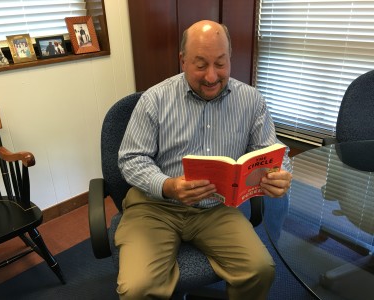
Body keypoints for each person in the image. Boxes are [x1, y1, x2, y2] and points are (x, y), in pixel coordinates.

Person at [117, 20, 292, 300]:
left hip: (216, 208)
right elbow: (131, 158)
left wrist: (280, 172)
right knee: (138, 288)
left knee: (260, 270)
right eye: (200, 65)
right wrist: (168, 185)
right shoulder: (155, 100)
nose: (211, 77)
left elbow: (270, 151)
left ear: (230, 59)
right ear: (182, 61)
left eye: (220, 64)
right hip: (156, 206)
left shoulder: (251, 100)